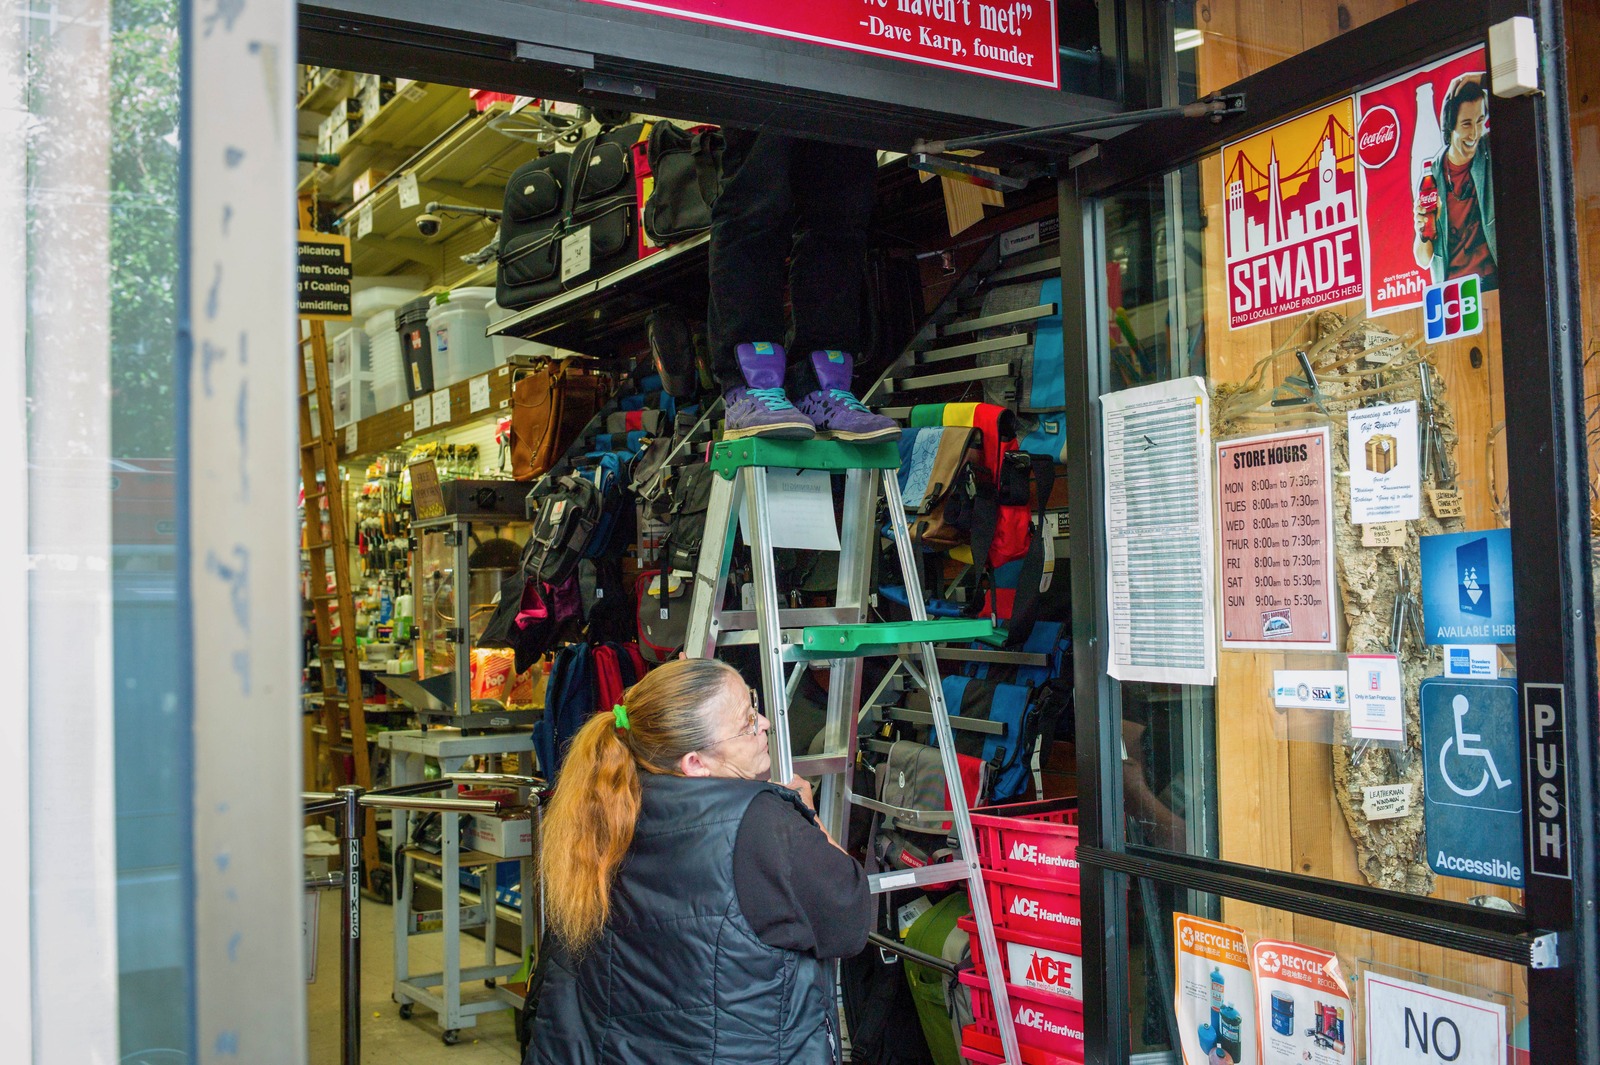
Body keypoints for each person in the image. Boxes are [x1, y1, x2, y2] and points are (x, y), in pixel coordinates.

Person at [524, 657, 872, 1065]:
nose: (765, 724)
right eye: (746, 722)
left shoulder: (602, 803)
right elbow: (849, 921)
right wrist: (808, 817)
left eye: (754, 705)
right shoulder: (764, 823)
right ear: (695, 763)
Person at [708, 130, 900, 442]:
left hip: (848, 85)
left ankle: (822, 388)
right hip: (765, 81)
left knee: (841, 220)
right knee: (755, 204)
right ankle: (749, 388)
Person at [1413, 74, 1497, 290]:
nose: (1475, 133)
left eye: (1480, 121)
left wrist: (1478, 79)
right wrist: (1422, 230)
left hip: (1495, 282)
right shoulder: (1430, 179)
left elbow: (1513, 95)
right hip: (1453, 291)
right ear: (1450, 127)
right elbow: (1423, 261)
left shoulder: (1489, 150)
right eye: (1467, 124)